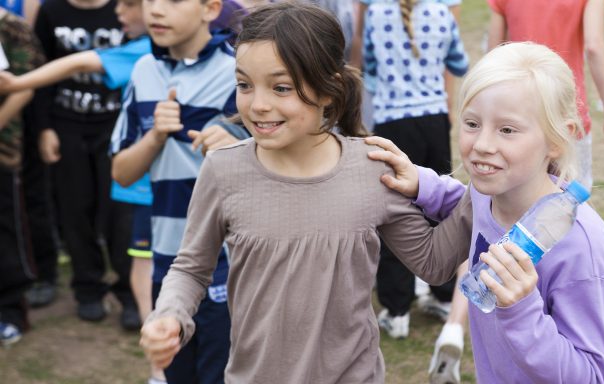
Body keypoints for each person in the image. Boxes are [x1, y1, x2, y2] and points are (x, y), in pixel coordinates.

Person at [138, 3, 473, 383]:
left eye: (281, 87)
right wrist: (169, 315)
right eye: (244, 84)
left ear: (329, 90)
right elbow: (190, 268)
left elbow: (434, 263)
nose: (258, 104)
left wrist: (485, 196)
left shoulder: (372, 168)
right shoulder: (222, 169)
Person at [366, 41, 604, 383]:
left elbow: (589, 376)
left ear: (560, 139)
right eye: (472, 123)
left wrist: (521, 310)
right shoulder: (491, 194)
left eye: (507, 130)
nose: (483, 144)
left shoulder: (582, 253)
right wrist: (421, 183)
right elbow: (465, 203)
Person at [110, 0, 252, 381]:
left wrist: (238, 145)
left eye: (172, 0)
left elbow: (285, 162)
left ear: (210, 9)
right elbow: (121, 172)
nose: (156, 11)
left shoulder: (240, 69)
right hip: (169, 258)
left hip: (231, 260)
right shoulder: (144, 70)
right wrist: (155, 135)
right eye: (150, 1)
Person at [361, 0, 469, 340]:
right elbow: (460, 63)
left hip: (394, 124)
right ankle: (442, 294)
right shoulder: (440, 12)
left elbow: (370, 66)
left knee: (394, 214)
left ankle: (397, 308)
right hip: (434, 121)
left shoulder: (376, 11)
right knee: (442, 209)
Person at [31, 0, 139, 324]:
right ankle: (87, 287)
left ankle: (129, 291)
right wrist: (45, 128)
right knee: (76, 208)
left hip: (116, 126)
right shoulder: (52, 10)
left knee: (121, 212)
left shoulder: (125, 8)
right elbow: (41, 70)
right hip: (67, 125)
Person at [487, 0, 604, 190]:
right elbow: (594, 47)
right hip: (567, 112)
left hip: (518, 112)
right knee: (570, 200)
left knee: (515, 197)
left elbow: (494, 54)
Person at [0, 7, 44, 347]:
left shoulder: (9, 27)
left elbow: (23, 87)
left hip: (4, 151)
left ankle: (12, 311)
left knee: (7, 231)